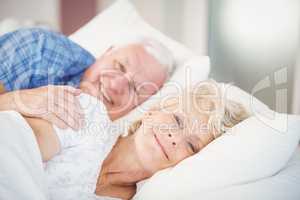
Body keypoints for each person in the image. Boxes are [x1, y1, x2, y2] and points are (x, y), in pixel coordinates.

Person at [27, 80, 249, 200]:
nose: (175, 138)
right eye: (177, 120)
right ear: (152, 112)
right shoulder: (87, 115)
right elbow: (19, 146)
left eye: (191, 145)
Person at [0, 28, 173, 130]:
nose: (115, 85)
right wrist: (17, 101)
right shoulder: (40, 49)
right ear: (106, 52)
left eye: (135, 88)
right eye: (119, 66)